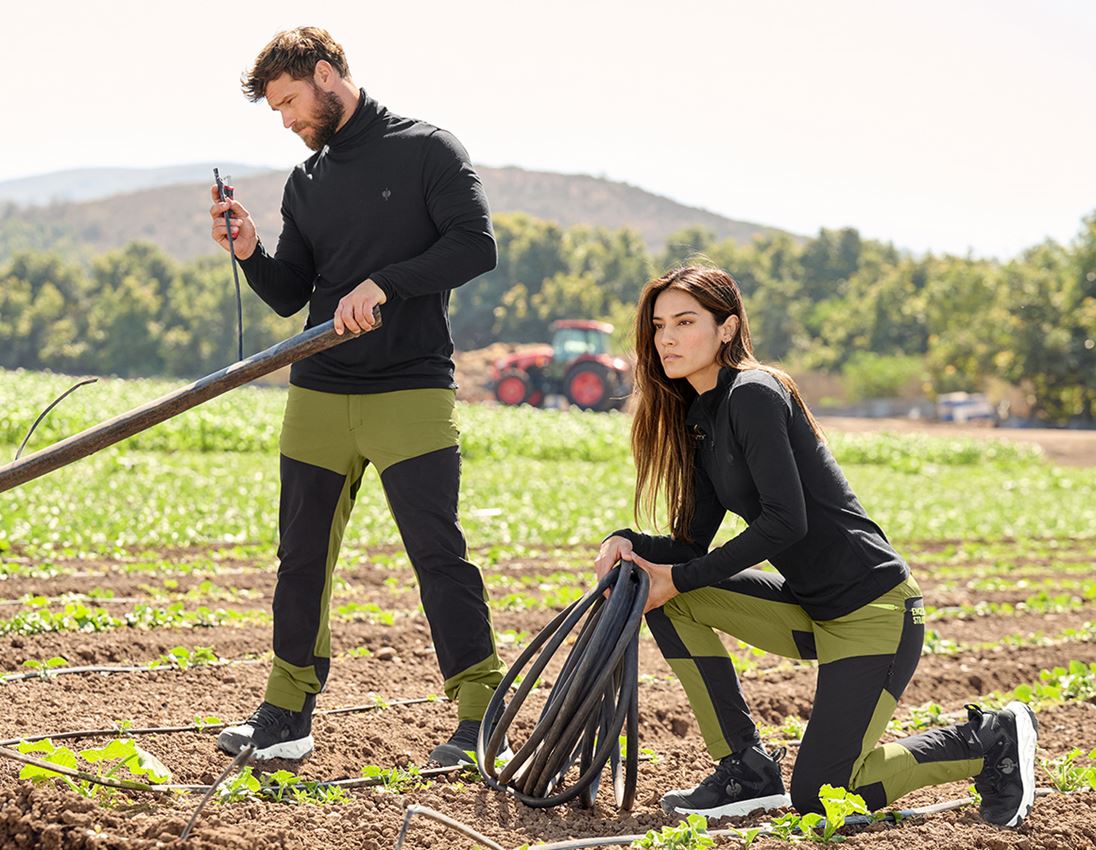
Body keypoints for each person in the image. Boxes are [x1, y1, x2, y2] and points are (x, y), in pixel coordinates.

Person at [595, 266, 1038, 827]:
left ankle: (987, 740)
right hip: (810, 607)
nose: (667, 339)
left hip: (873, 611)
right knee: (661, 593)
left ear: (727, 329)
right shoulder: (700, 418)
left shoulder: (755, 393)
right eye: (659, 325)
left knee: (824, 794)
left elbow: (786, 523)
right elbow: (689, 545)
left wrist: (675, 575)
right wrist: (631, 546)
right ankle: (745, 768)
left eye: (686, 322)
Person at [207, 26, 505, 766]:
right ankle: (286, 714)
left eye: (288, 102)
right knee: (300, 556)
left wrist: (387, 282)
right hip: (319, 388)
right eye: (276, 110)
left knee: (439, 555)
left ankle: (478, 716)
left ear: (325, 73)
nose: (286, 120)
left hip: (410, 387)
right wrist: (249, 250)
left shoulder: (429, 149)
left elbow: (476, 245)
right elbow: (290, 296)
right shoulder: (306, 182)